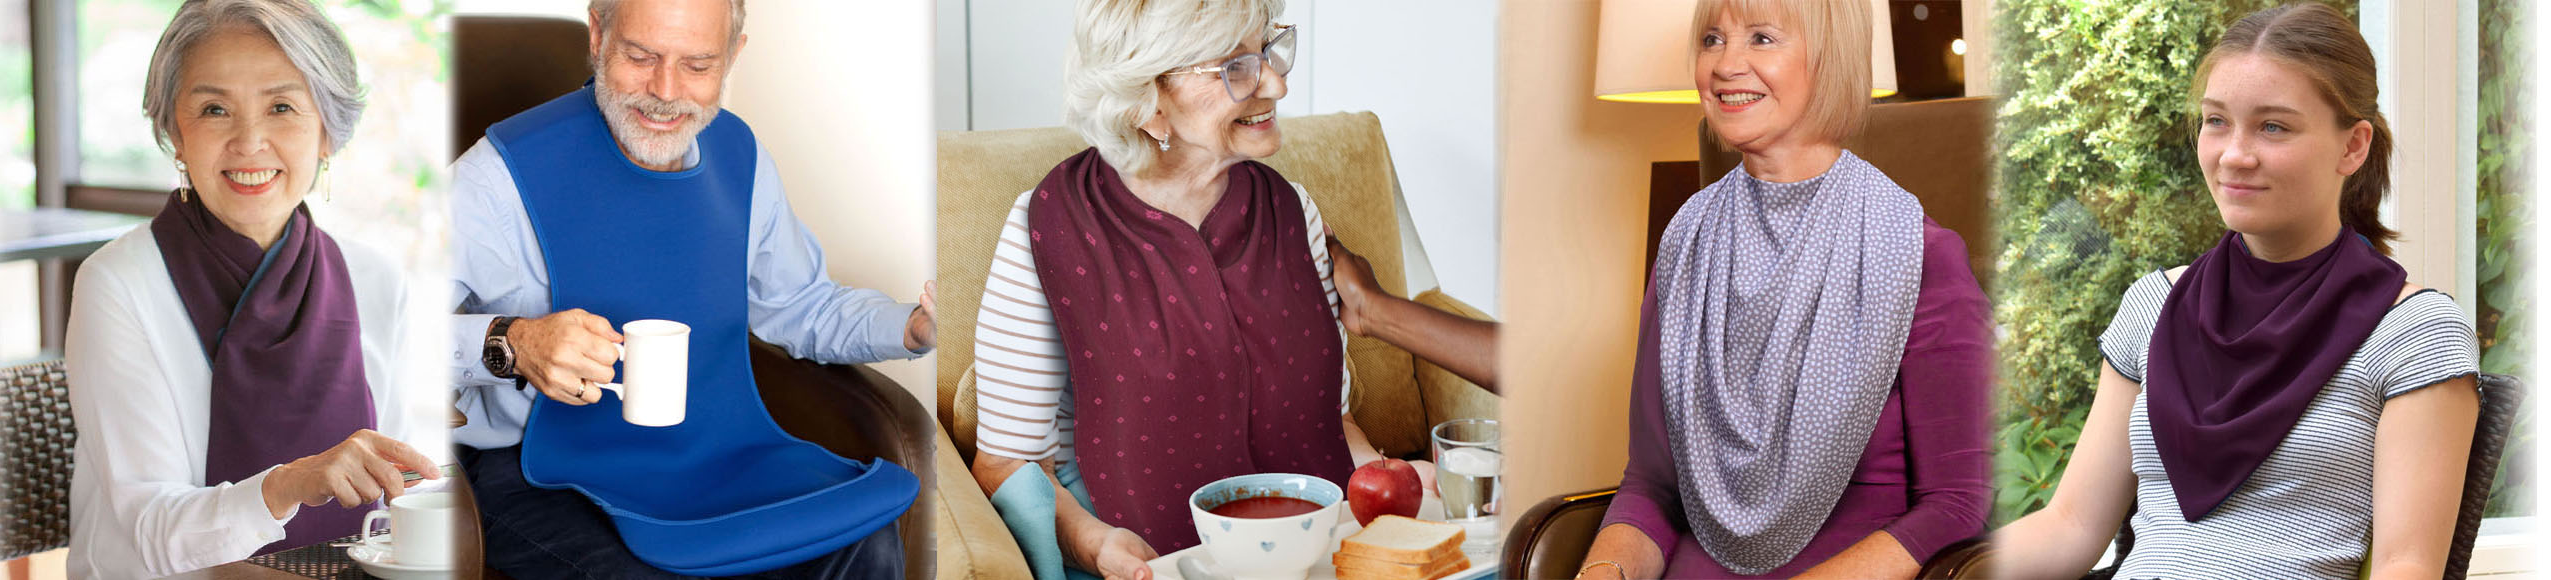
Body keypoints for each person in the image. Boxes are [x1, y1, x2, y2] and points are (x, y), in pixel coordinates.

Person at [962, 1, 1493, 578]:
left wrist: (1388, 483)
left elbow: (1324, 420)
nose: (1277, 82)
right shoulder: (1051, 225)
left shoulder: (1294, 210)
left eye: (1269, 51)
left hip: (1310, 545)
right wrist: (1094, 545)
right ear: (1148, 101)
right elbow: (1007, 463)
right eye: (1236, 66)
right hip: (1150, 558)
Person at [1992, 4, 2481, 579]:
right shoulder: (2151, 307)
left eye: (2273, 126)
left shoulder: (2413, 333)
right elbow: (2070, 525)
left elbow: (2407, 567)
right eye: (2216, 121)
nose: (2233, 155)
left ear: (2353, 147)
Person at [447, 0, 932, 576]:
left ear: (733, 56)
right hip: (540, 474)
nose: (665, 89)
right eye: (641, 56)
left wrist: (910, 326)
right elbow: (382, 331)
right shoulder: (497, 176)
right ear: (599, 35)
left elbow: (801, 304)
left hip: (718, 452)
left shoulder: (742, 157)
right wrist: (514, 341)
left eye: (698, 65)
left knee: (866, 540)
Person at [1573, 1, 1993, 578]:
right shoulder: (1686, 240)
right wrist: (1603, 572)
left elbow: (1958, 506)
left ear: (1829, 60)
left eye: (1763, 39)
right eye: (1713, 39)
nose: (1726, 65)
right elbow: (1651, 486)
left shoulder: (1920, 255)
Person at [65, 1, 444, 577]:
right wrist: (293, 483)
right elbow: (151, 530)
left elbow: (396, 493)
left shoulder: (376, 280)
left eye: (282, 107)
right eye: (214, 109)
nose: (249, 141)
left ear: (327, 133)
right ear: (175, 131)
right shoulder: (117, 284)